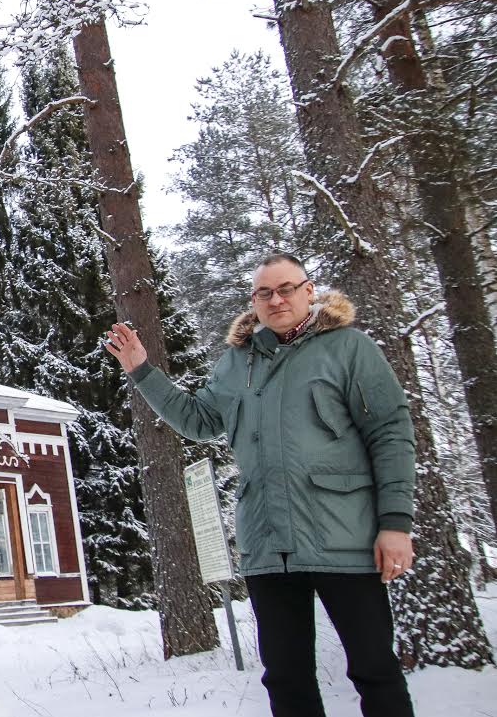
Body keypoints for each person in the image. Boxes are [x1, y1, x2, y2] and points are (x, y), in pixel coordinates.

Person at [103, 252, 416, 717]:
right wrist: (142, 371)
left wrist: (395, 522)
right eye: (264, 292)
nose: (276, 299)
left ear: (308, 291)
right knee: (286, 678)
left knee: (374, 668)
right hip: (268, 546)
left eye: (286, 288)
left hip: (345, 539)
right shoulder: (237, 363)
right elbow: (198, 419)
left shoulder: (349, 348)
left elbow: (389, 433)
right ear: (254, 301)